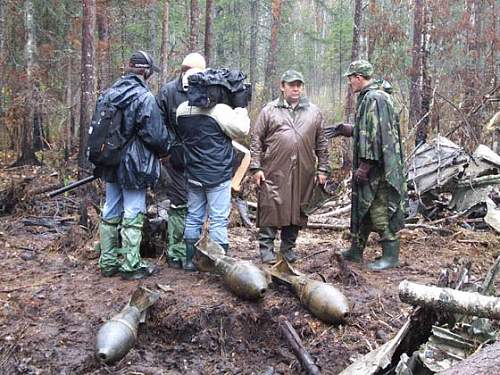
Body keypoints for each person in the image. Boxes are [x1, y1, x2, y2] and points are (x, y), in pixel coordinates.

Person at [97, 51, 173, 280]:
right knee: (133, 211)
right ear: (146, 71)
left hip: (110, 161)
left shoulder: (108, 94)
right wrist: (166, 150)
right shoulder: (143, 97)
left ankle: (108, 262)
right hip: (134, 164)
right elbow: (155, 135)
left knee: (110, 209)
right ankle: (131, 263)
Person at [250, 70, 330, 264]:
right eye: (291, 84)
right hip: (274, 170)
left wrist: (323, 169)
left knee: (298, 210)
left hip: (304, 170)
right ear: (282, 86)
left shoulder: (313, 111)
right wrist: (256, 167)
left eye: (299, 85)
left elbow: (322, 142)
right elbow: (256, 139)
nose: (296, 88)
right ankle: (266, 249)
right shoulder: (269, 110)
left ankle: (288, 249)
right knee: (271, 207)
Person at [176, 68, 251, 270]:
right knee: (218, 219)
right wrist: (240, 106)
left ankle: (190, 260)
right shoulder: (220, 112)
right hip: (217, 175)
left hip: (192, 173)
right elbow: (243, 130)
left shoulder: (181, 110)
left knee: (193, 217)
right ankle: (219, 264)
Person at [334, 60, 406, 271]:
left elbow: (376, 136)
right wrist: (348, 129)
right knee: (363, 207)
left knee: (379, 208)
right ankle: (356, 251)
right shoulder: (372, 96)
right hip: (374, 163)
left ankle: (390, 257)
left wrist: (365, 165)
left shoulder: (375, 98)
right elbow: (369, 128)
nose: (349, 83)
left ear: (358, 77)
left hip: (379, 168)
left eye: (350, 79)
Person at [156, 53, 206, 270]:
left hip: (200, 157)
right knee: (178, 203)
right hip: (174, 158)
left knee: (197, 204)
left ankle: (193, 250)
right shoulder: (168, 92)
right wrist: (170, 147)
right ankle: (175, 251)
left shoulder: (207, 90)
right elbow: (157, 123)